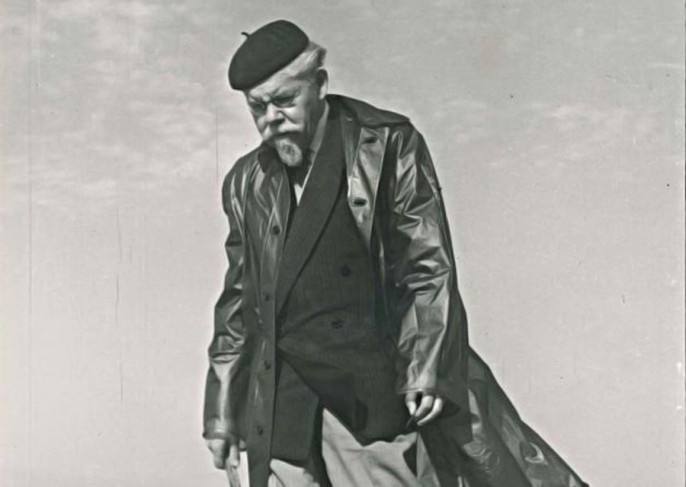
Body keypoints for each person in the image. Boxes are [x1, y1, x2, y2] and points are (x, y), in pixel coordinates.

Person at [203, 19, 589, 487]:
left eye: (284, 100)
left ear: (319, 84)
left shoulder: (386, 142)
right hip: (283, 406)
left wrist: (426, 368)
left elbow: (427, 266)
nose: (272, 118)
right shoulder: (246, 181)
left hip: (371, 399)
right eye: (257, 107)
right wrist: (223, 411)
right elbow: (238, 304)